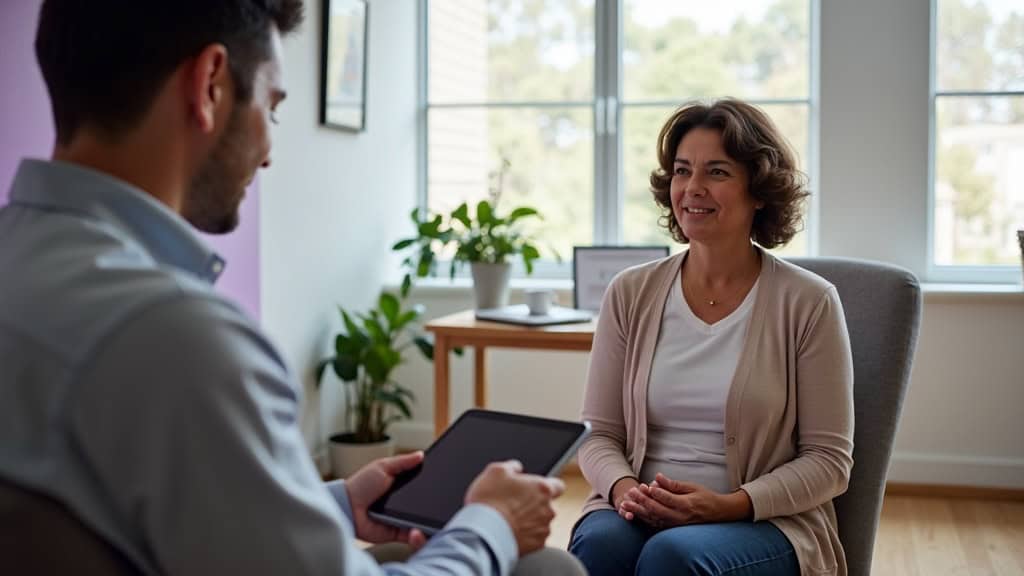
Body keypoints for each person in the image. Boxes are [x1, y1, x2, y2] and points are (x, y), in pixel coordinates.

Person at [0, 1, 584, 575]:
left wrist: (334, 503)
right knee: (547, 569)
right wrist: (489, 524)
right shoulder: (172, 334)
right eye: (273, 108)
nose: (269, 153)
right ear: (209, 85)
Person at [568, 99, 855, 576]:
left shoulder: (810, 302)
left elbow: (829, 461)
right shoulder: (630, 292)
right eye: (682, 171)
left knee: (672, 556)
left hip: (761, 521)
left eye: (717, 172)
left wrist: (727, 505)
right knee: (600, 546)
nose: (693, 188)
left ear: (758, 191)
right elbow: (599, 433)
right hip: (635, 507)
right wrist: (623, 489)